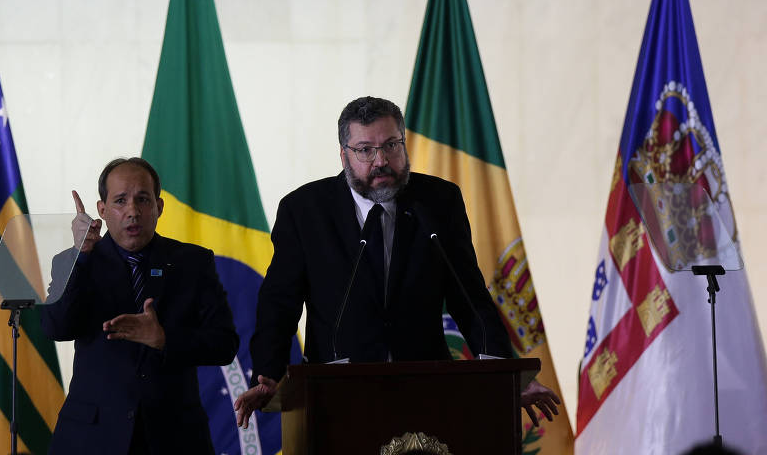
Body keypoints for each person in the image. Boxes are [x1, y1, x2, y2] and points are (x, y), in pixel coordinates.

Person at [234, 97, 559, 428]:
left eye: (391, 145)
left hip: (427, 388)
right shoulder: (304, 210)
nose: (381, 161)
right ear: (344, 154)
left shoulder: (438, 202)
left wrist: (506, 374)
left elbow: (470, 298)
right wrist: (269, 373)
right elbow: (279, 303)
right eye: (365, 150)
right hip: (336, 394)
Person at [40, 157, 239, 455]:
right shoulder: (72, 263)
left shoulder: (192, 262)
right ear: (102, 210)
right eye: (120, 201)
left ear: (159, 207)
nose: (132, 211)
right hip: (91, 438)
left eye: (143, 199)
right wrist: (81, 257)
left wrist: (164, 339)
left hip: (174, 437)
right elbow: (56, 327)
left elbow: (224, 344)